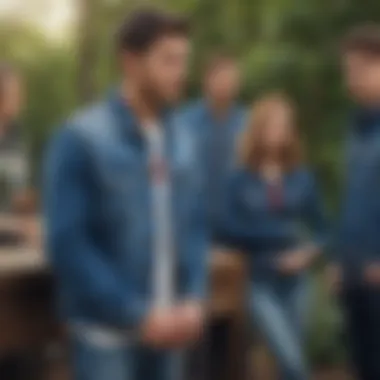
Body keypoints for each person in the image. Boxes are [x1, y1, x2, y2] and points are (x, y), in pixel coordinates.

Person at [43, 9, 208, 380]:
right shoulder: (80, 138)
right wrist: (137, 314)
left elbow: (195, 226)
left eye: (184, 60)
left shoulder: (184, 141)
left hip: (170, 336)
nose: (181, 72)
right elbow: (68, 244)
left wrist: (195, 297)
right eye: (169, 60)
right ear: (130, 62)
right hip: (107, 341)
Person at [217, 94, 328, 380]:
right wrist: (279, 234)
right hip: (259, 280)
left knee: (288, 363)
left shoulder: (302, 178)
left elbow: (324, 229)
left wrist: (307, 253)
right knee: (292, 361)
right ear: (258, 129)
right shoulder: (239, 180)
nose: (278, 132)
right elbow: (226, 228)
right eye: (271, 125)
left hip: (298, 282)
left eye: (284, 126)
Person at [329, 25, 380, 380]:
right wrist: (337, 260)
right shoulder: (355, 129)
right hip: (354, 275)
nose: (352, 80)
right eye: (348, 71)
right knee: (361, 365)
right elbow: (351, 202)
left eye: (360, 70)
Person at [179, 52, 245, 230]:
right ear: (207, 80)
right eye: (222, 78)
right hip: (194, 221)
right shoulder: (184, 123)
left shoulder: (247, 123)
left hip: (238, 222)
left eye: (232, 79)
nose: (227, 84)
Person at [0, 62, 30, 216]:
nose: (20, 100)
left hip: (13, 230)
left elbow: (18, 194)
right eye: (14, 94)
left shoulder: (17, 137)